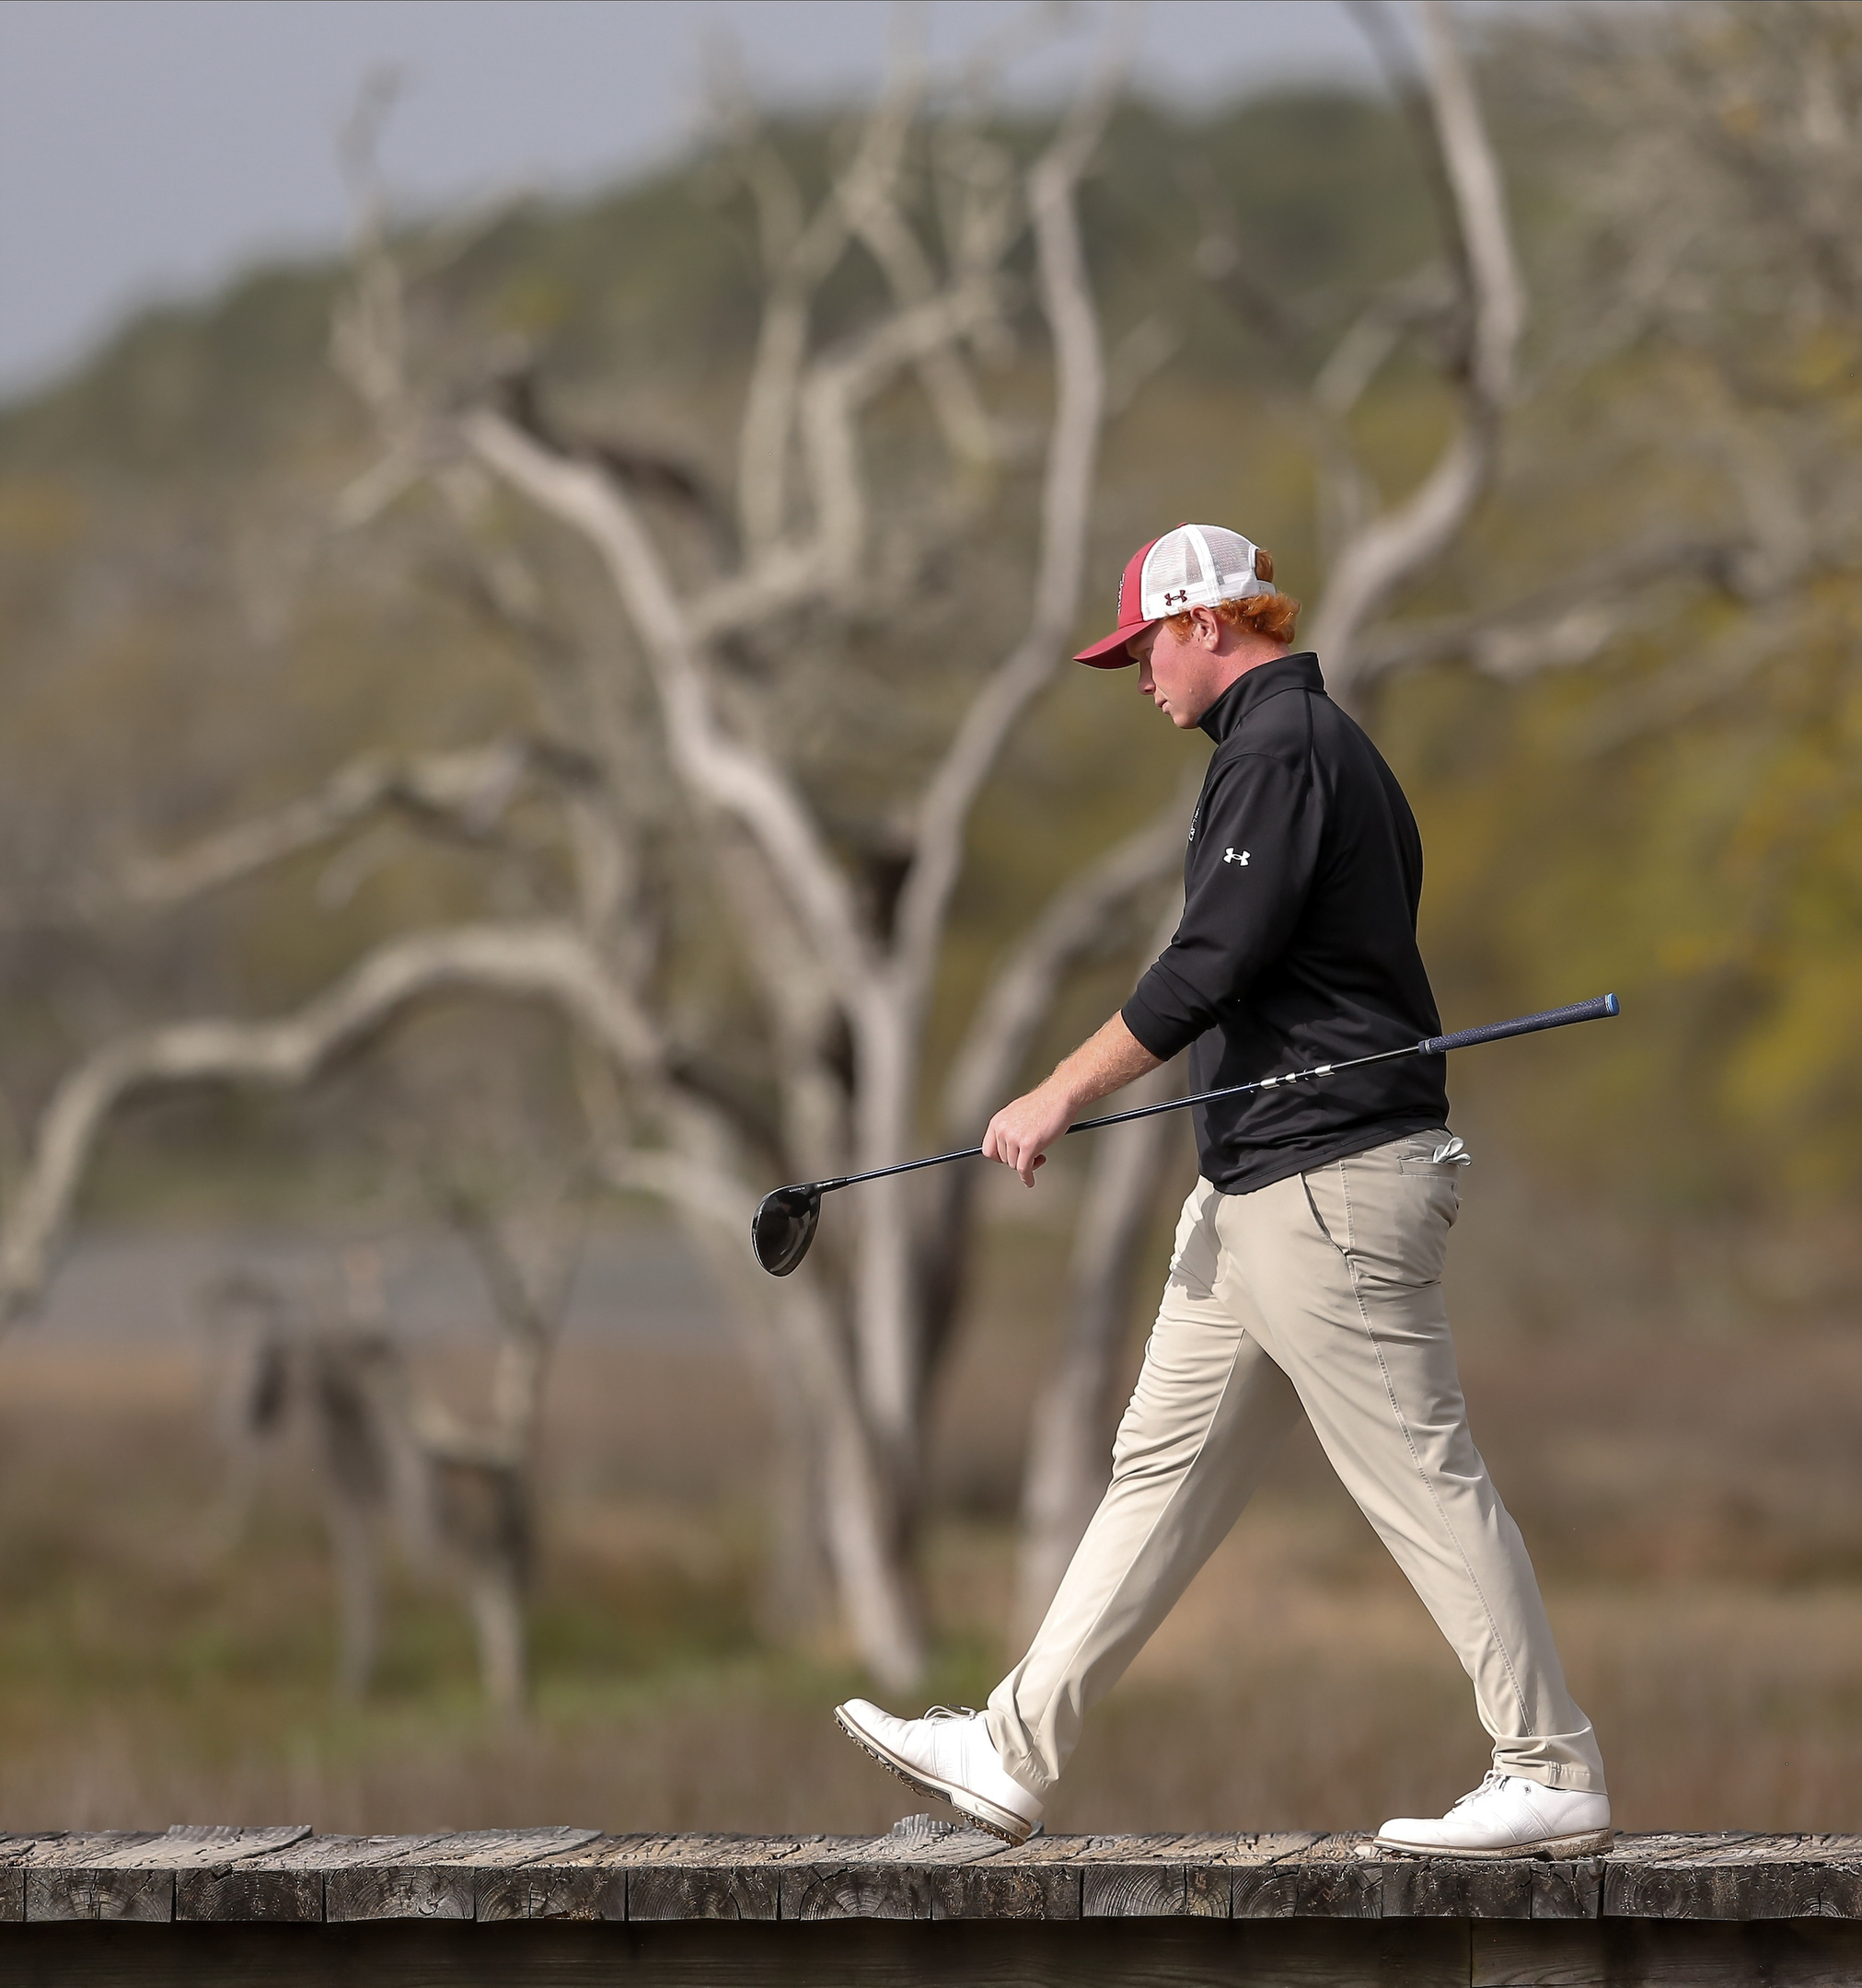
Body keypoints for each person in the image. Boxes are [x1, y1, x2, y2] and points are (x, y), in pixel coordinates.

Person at [835, 523, 1610, 1858]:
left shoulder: (1281, 749)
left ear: (1208, 624)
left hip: (1331, 1187)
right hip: (1259, 1188)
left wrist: (1055, 1093)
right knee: (1153, 1475)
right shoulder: (1284, 753)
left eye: (1142, 648)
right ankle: (1012, 1750)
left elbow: (1207, 966)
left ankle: (1548, 1764)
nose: (1135, 675)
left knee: (1417, 1476)